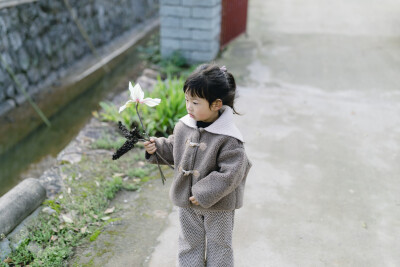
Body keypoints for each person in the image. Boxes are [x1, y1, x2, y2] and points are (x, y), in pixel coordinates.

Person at [144, 63, 252, 267]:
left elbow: (232, 173)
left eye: (195, 102)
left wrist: (203, 193)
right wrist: (157, 147)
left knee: (219, 246)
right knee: (188, 244)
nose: (188, 107)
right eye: (187, 100)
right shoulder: (184, 126)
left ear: (216, 105)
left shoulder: (229, 138)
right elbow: (175, 148)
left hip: (218, 205)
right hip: (187, 201)